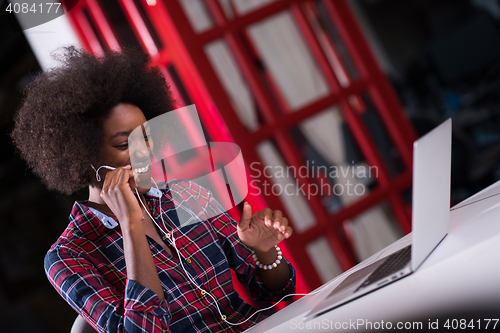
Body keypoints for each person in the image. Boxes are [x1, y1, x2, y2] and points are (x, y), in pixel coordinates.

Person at [11, 47, 295, 332]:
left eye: (146, 138)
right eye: (124, 144)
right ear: (81, 155)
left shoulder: (187, 195)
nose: (143, 153)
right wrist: (131, 224)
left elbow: (274, 294)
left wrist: (265, 251)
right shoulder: (69, 256)